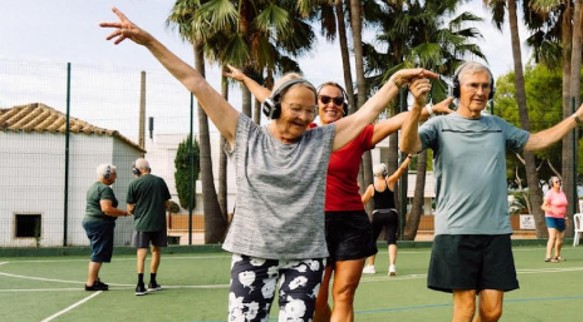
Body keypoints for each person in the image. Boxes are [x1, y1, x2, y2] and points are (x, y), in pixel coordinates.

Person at [101, 8, 435, 321]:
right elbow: (195, 82)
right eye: (297, 108)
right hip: (253, 255)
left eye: (309, 110)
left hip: (305, 257)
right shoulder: (245, 134)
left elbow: (365, 115)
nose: (305, 117)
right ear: (274, 107)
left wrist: (396, 82)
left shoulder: (320, 141)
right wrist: (148, 41)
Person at [224, 66, 452, 322]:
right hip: (312, 226)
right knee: (317, 300)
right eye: (325, 99)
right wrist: (245, 79)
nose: (332, 104)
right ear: (314, 104)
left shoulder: (358, 133)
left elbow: (396, 120)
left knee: (343, 293)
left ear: (344, 107)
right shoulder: (303, 131)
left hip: (351, 222)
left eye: (338, 101)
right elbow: (272, 97)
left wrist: (429, 110)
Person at [399, 61, 583, 322]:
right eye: (473, 85)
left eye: (486, 86)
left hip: (495, 231)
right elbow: (409, 145)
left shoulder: (498, 126)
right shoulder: (439, 126)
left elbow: (537, 140)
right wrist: (417, 106)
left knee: (493, 311)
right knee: (465, 310)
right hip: (456, 231)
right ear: (458, 89)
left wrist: (576, 118)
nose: (480, 92)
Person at [126, 158, 172, 296]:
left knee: (141, 252)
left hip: (141, 223)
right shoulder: (160, 181)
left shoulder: (133, 184)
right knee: (156, 250)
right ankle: (152, 281)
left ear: (137, 170)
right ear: (148, 168)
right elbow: (166, 204)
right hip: (158, 222)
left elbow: (129, 208)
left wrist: (136, 209)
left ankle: (140, 285)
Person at [360, 156, 412, 276]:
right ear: (385, 173)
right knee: (391, 240)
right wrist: (409, 157)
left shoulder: (371, 187)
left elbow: (362, 201)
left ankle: (371, 266)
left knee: (372, 240)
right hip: (391, 214)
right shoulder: (390, 182)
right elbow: (402, 169)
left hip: (377, 215)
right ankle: (392, 267)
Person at [83, 163, 131, 291]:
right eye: (114, 174)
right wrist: (125, 213)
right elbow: (106, 209)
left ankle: (95, 279)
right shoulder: (105, 189)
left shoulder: (93, 187)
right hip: (100, 223)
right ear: (108, 175)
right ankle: (91, 283)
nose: (116, 177)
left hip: (91, 221)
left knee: (96, 251)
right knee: (99, 252)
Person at [541, 176, 568, 263]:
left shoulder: (562, 193)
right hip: (551, 217)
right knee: (552, 236)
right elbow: (543, 206)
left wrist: (565, 217)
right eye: (556, 182)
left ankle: (557, 255)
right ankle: (548, 256)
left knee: (560, 239)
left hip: (561, 218)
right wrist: (552, 210)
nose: (559, 182)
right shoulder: (549, 193)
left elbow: (564, 206)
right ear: (552, 184)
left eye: (559, 181)